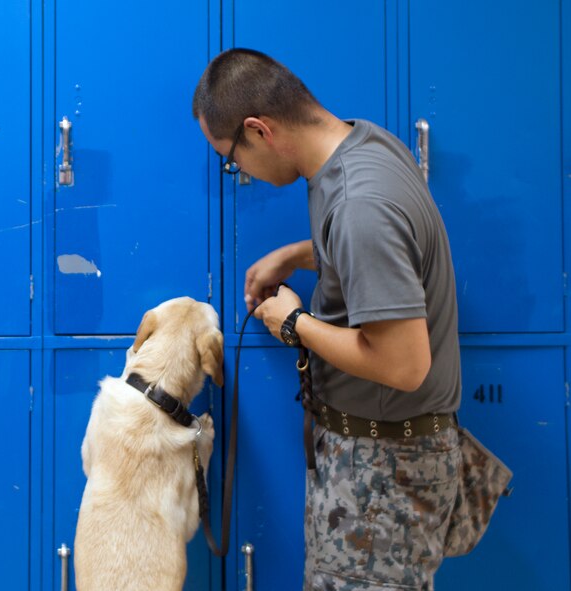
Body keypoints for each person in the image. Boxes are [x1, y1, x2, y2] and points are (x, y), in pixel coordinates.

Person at [193, 48, 462, 591]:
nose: (236, 172)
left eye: (230, 158)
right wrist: (297, 254)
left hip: (382, 476)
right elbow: (377, 252)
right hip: (379, 463)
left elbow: (405, 363)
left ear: (259, 130)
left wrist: (296, 323)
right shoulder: (364, 145)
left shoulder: (361, 202)